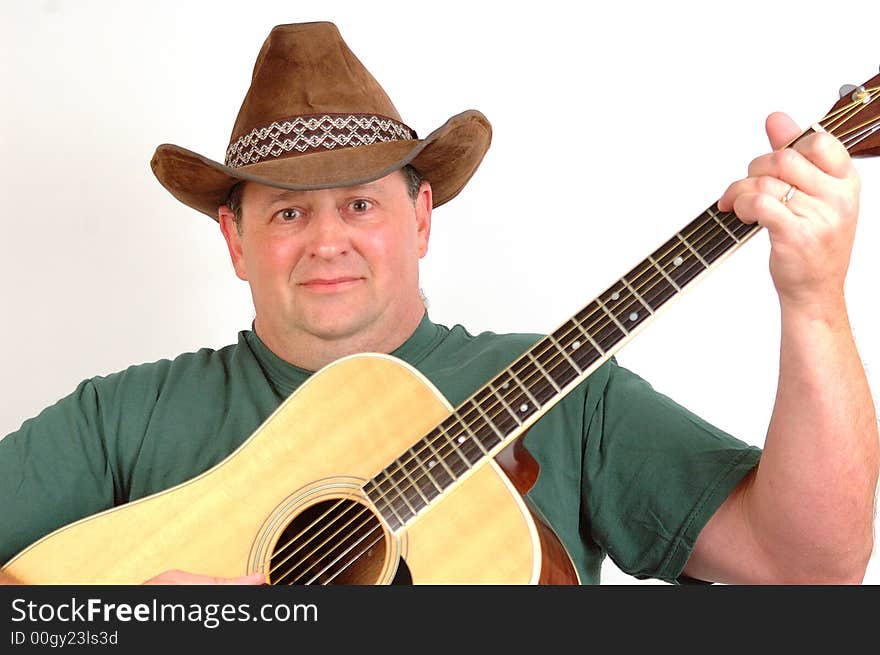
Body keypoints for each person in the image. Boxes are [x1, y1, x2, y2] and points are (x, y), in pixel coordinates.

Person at [0, 20, 877, 585]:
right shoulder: (123, 418)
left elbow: (811, 567)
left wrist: (815, 302)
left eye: (362, 203)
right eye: (289, 210)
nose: (327, 239)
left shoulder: (570, 388)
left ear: (420, 219)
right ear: (234, 239)